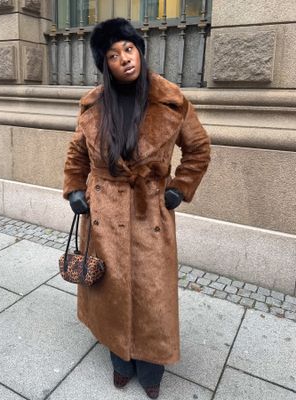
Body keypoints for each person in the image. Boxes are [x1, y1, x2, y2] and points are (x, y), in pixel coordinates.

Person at [63, 18, 210, 399]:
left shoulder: (171, 99)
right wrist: (75, 189)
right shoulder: (94, 104)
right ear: (106, 64)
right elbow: (77, 153)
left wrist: (179, 188)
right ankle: (119, 361)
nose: (124, 59)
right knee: (108, 288)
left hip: (151, 213)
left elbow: (198, 148)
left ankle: (150, 367)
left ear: (140, 51)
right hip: (103, 212)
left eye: (129, 49)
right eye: (113, 55)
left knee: (152, 293)